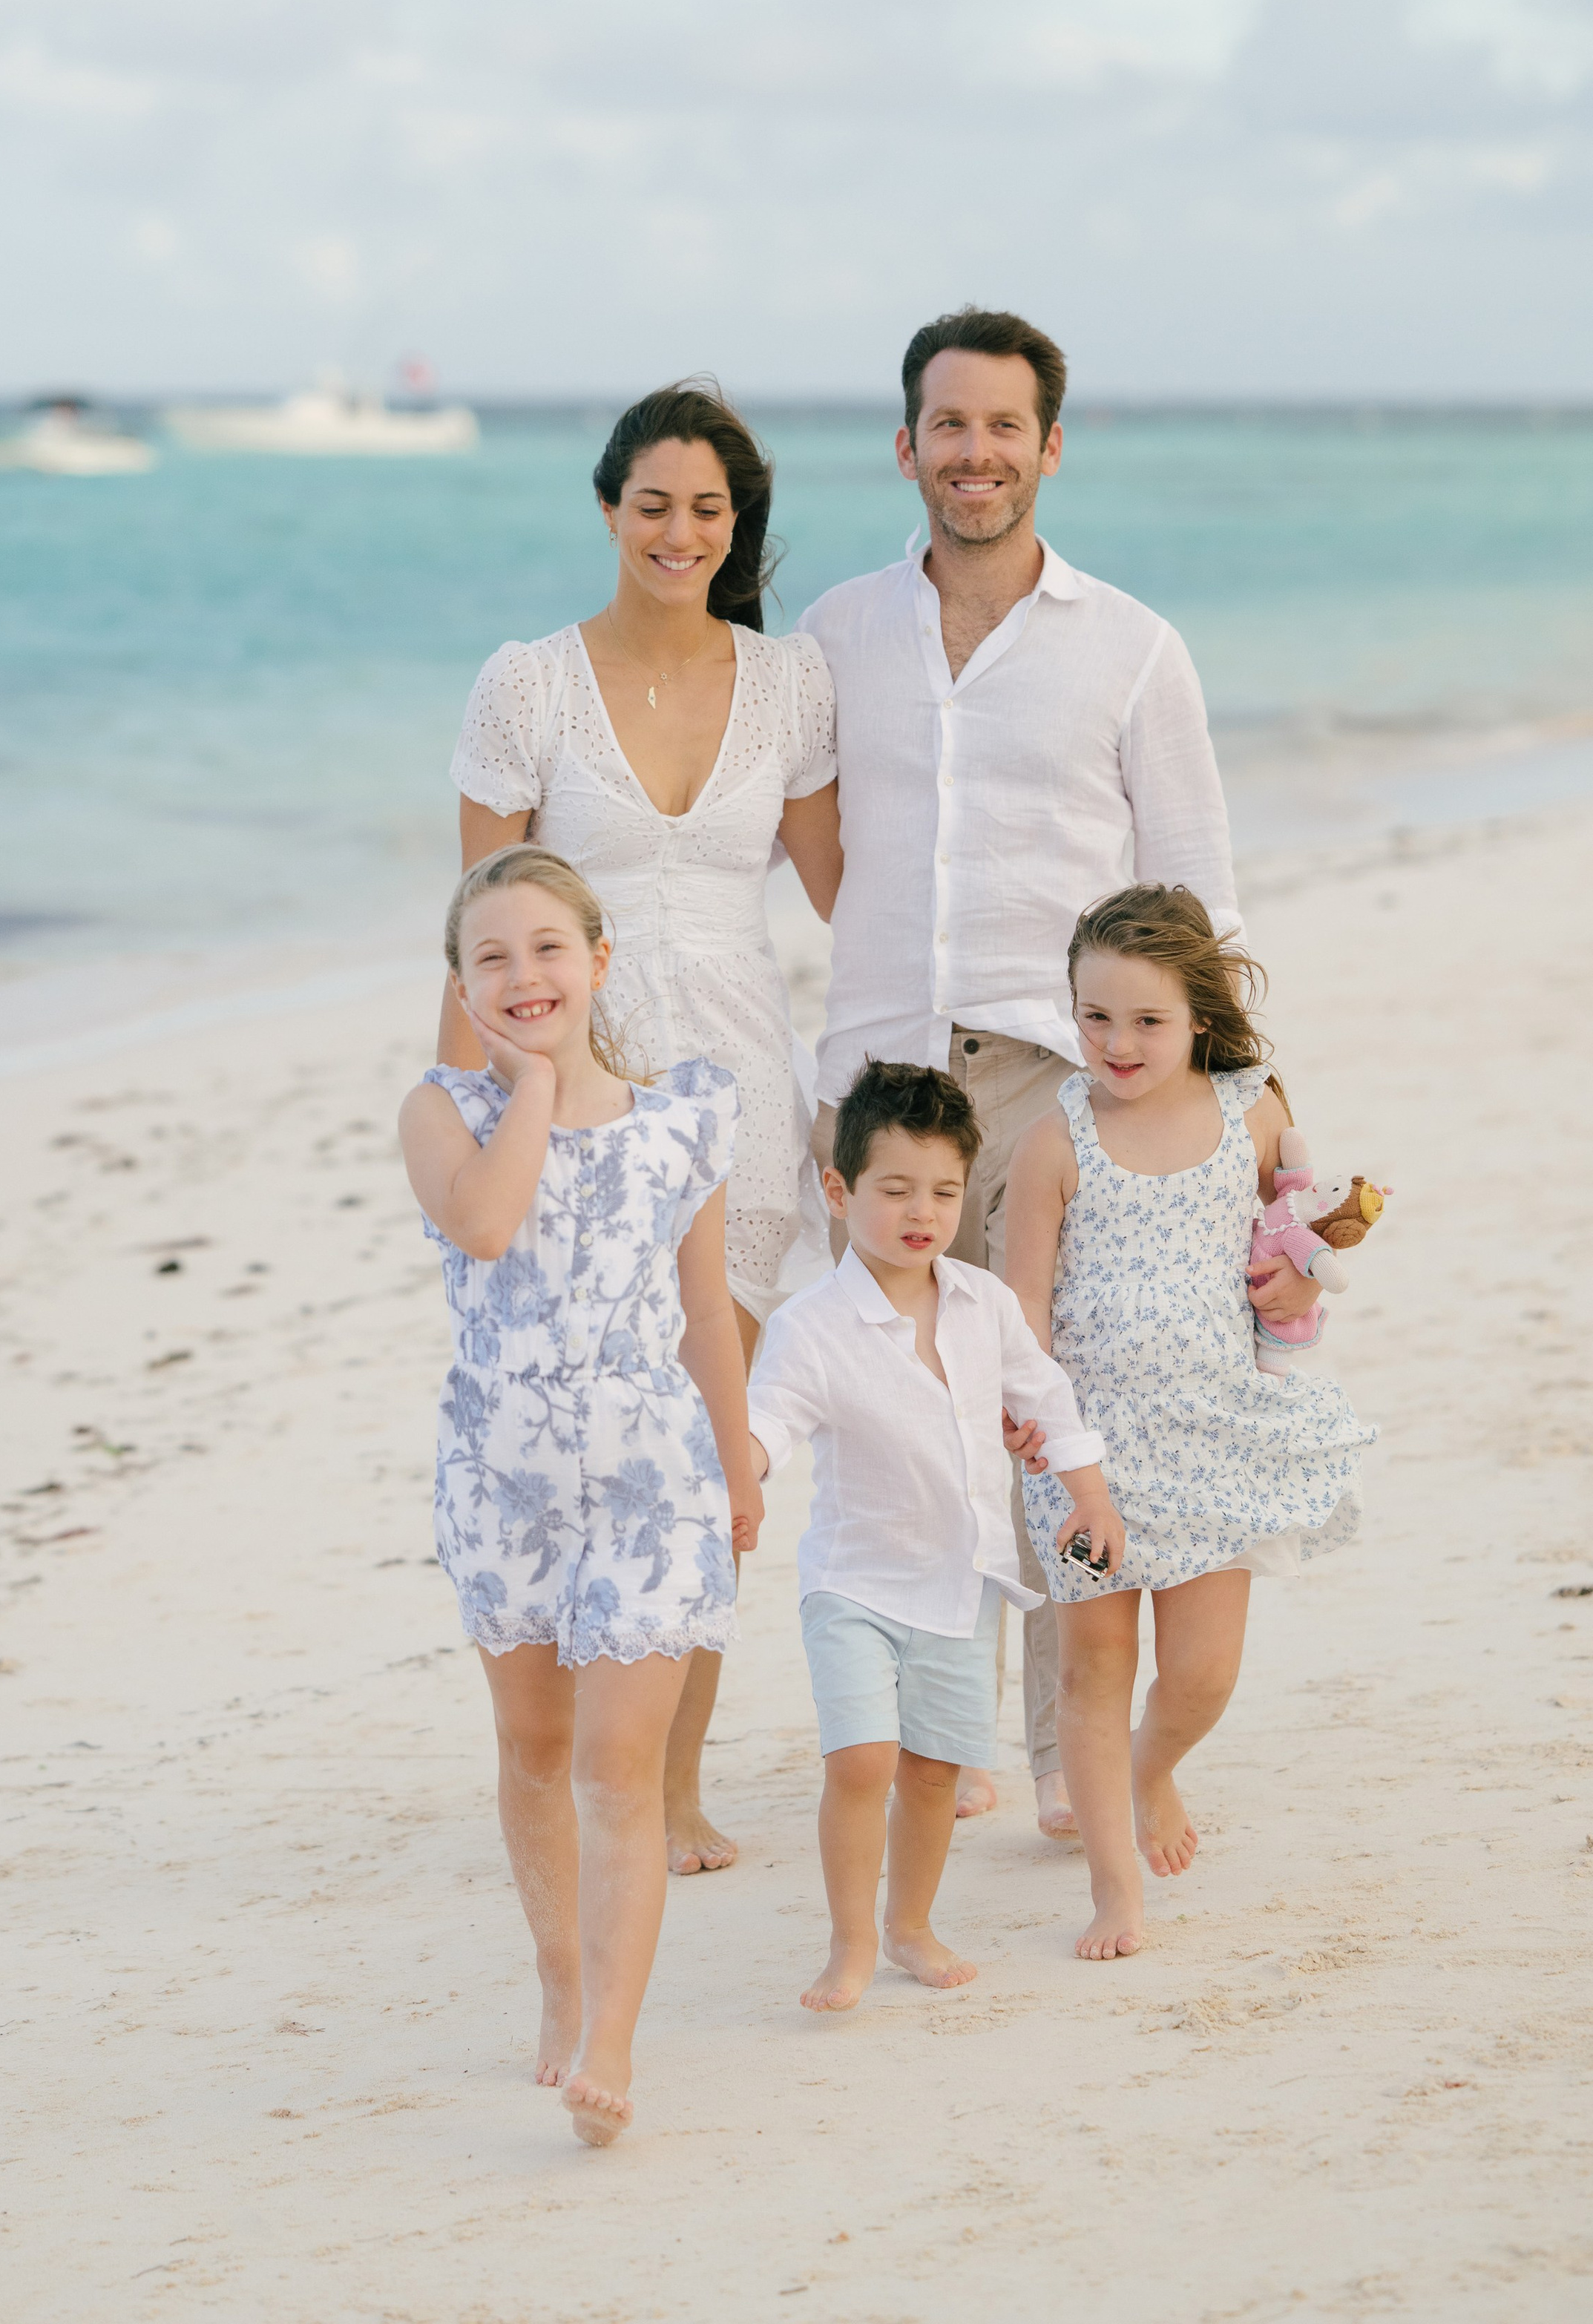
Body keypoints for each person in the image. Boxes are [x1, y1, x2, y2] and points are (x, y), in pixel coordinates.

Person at [798, 304, 1318, 1839]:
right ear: (905, 446)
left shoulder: (1132, 648)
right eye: (945, 425)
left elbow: (1197, 892)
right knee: (895, 1419)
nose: (973, 453)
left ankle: (1061, 1761)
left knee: (1042, 1412)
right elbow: (809, 848)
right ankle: (923, 1731)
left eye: (1001, 426)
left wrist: (1256, 1141)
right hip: (882, 1079)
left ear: (1047, 446)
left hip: (1056, 1079)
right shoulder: (833, 632)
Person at [444, 381, 841, 1876]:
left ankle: (669, 1786)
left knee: (699, 1445)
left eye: (710, 509)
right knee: (581, 1434)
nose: (680, 531)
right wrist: (464, 1129)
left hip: (736, 1099)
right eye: (654, 503)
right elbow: (475, 932)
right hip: (575, 1103)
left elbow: (840, 894)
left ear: (737, 527)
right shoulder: (526, 688)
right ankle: (568, 1755)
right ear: (609, 508)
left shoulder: (789, 684)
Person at [400, 845, 763, 2144]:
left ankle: (612, 2034)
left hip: (654, 1479)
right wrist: (536, 1086)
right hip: (503, 1489)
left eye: (547, 947)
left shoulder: (687, 1117)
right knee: (537, 1752)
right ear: (463, 984)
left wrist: (738, 1454)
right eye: (490, 956)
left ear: (599, 960)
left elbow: (708, 1306)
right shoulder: (443, 1112)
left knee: (620, 1772)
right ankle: (560, 1979)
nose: (523, 974)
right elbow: (489, 1226)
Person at [1005, 884, 1376, 1960]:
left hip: (1216, 1432)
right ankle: (1114, 1888)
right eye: (1095, 1016)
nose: (1117, 1042)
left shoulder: (1251, 1111)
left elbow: (1295, 1242)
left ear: (1199, 1017)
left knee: (1204, 1673)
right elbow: (1023, 1302)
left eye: (1148, 1020)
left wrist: (1304, 1290)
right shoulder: (1052, 1141)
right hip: (1091, 1459)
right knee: (1093, 1671)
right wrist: (1025, 1412)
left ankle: (1148, 1767)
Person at [745, 1060, 1121, 2013]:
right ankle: (850, 1942)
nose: (922, 1211)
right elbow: (770, 1420)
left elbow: (1046, 1395)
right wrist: (737, 1474)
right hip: (854, 1581)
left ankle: (909, 1924)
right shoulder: (809, 1326)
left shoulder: (982, 1303)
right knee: (862, 1758)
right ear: (840, 1190)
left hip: (965, 1581)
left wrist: (1092, 1498)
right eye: (895, 1188)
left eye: (944, 1190)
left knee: (932, 1772)